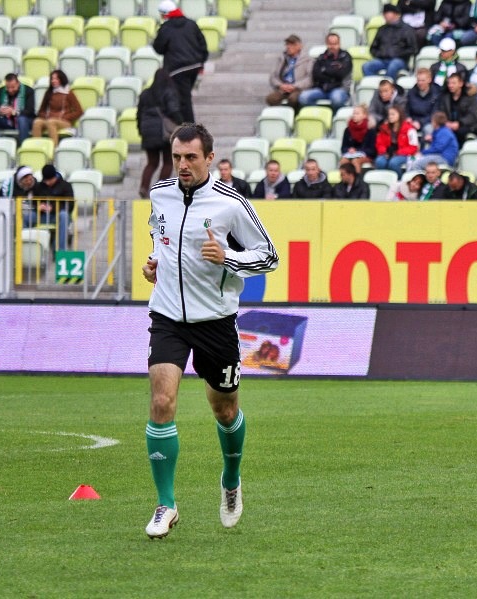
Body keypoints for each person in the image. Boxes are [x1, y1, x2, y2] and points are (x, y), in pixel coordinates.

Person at [141, 122, 279, 539]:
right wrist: (153, 264)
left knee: (225, 409)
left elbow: (268, 256)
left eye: (190, 158)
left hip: (216, 322)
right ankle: (166, 504)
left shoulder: (230, 203)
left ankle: (231, 481)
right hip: (167, 316)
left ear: (208, 159)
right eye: (177, 156)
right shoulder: (159, 193)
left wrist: (229, 258)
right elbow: (160, 238)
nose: (181, 164)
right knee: (162, 401)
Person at [153, 0, 208, 123]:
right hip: (194, 65)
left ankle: (190, 129)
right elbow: (202, 44)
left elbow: (158, 48)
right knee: (184, 96)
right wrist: (201, 62)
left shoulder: (165, 28)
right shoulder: (191, 24)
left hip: (177, 69)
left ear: (165, 14)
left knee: (183, 99)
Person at [137, 68, 183, 198]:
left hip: (147, 132)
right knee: (168, 162)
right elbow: (173, 110)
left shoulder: (145, 94)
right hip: (164, 133)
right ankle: (160, 189)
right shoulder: (169, 92)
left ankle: (144, 187)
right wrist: (183, 123)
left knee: (151, 163)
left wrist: (141, 131)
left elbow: (139, 114)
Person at [362, 4, 418, 81]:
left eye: (387, 13)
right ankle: (376, 87)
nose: (385, 15)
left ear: (396, 14)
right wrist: (381, 54)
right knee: (367, 66)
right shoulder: (382, 29)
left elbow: (413, 49)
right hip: (382, 59)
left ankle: (389, 89)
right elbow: (373, 48)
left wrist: (398, 54)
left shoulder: (407, 29)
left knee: (393, 66)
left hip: (400, 60)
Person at [299, 33, 352, 112]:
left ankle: (334, 118)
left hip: (339, 88)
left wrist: (324, 70)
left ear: (339, 44)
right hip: (322, 89)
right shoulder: (321, 57)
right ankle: (320, 115)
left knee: (337, 99)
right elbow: (316, 74)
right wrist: (334, 70)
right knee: (303, 97)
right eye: (330, 44)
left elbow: (341, 74)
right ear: (327, 44)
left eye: (335, 44)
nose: (333, 46)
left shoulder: (345, 57)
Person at [31, 70, 83, 148]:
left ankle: (54, 149)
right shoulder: (49, 93)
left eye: (56, 79)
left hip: (64, 121)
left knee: (51, 122)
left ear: (62, 79)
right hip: (49, 119)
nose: (53, 81)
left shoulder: (69, 93)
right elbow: (41, 111)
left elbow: (79, 111)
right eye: (52, 79)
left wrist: (65, 117)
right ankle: (37, 148)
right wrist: (45, 116)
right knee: (37, 122)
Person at [266, 34, 313, 110]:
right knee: (271, 99)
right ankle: (279, 116)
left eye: (292, 44)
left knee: (293, 99)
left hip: (298, 89)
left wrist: (295, 86)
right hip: (283, 88)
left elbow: (310, 78)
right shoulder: (281, 59)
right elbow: (273, 76)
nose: (289, 47)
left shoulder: (308, 60)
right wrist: (280, 85)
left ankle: (292, 116)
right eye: (287, 44)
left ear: (300, 46)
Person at [34, 163, 74, 250]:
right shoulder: (39, 186)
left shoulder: (66, 186)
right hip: (42, 215)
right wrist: (38, 206)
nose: (47, 183)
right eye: (46, 180)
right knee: (25, 217)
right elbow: (33, 201)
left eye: (50, 180)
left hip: (57, 215)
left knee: (64, 215)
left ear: (55, 176)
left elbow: (70, 205)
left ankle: (60, 251)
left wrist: (53, 208)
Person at [0, 73, 36, 145]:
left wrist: (14, 112)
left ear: (18, 84)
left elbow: (30, 111)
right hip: (7, 121)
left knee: (22, 119)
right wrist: (0, 111)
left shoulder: (28, 91)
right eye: (8, 87)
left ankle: (23, 146)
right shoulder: (1, 91)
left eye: (13, 87)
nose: (10, 90)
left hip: (24, 121)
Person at [437, 73, 477, 146]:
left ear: (461, 83)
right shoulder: (445, 97)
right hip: (449, 125)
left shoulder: (470, 97)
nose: (450, 85)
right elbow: (441, 112)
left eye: (453, 83)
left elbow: (472, 115)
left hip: (467, 126)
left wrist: (459, 123)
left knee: (460, 132)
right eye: (449, 83)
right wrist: (446, 122)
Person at [374, 105, 419, 176]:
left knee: (393, 163)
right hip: (387, 153)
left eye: (393, 114)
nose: (390, 116)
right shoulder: (384, 128)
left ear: (399, 115)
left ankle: (399, 182)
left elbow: (413, 148)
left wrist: (397, 152)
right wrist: (385, 151)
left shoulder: (410, 129)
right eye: (389, 114)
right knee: (379, 162)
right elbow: (379, 144)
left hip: (404, 154)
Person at [340, 104, 377, 173]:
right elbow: (343, 148)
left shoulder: (370, 130)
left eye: (357, 113)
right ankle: (344, 182)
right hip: (350, 155)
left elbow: (372, 150)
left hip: (366, 156)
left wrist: (357, 151)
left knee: (355, 161)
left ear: (364, 115)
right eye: (354, 113)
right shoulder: (347, 130)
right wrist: (349, 150)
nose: (354, 115)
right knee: (343, 161)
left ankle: (357, 182)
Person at [407, 68, 442, 137]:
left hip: (429, 122)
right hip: (413, 122)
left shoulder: (436, 94)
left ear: (429, 80)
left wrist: (420, 122)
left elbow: (434, 113)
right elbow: (407, 110)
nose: (420, 83)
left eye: (423, 80)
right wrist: (409, 119)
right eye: (418, 80)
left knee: (429, 129)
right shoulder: (411, 93)